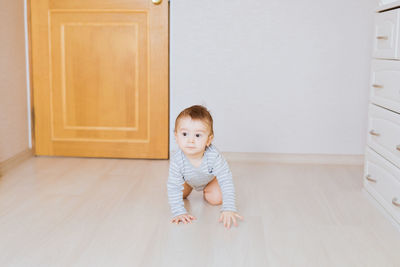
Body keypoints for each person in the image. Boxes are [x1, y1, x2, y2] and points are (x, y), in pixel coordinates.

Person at [167, 105, 243, 229]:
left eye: (197, 135)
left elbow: (226, 180)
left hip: (209, 180)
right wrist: (179, 212)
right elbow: (173, 186)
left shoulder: (214, 156)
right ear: (176, 137)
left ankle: (208, 189)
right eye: (185, 134)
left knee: (216, 199)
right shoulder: (177, 159)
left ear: (209, 140)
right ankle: (189, 188)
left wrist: (229, 208)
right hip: (188, 180)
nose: (190, 140)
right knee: (178, 194)